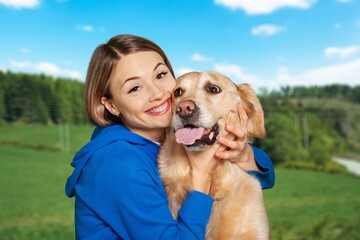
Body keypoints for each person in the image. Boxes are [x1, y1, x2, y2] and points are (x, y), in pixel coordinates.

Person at [65, 34, 275, 240]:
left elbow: (266, 177)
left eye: (160, 75)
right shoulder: (117, 162)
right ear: (111, 105)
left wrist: (242, 155)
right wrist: (201, 173)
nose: (157, 93)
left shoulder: (166, 138)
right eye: (135, 88)